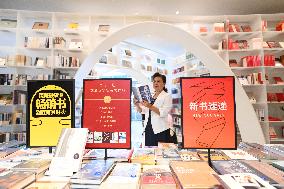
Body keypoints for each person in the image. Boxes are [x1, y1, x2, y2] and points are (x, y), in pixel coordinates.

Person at [134, 72, 173, 146]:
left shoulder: (167, 96)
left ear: (164, 84)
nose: (156, 83)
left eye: (158, 81)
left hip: (160, 129)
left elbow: (163, 113)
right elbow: (143, 111)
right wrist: (137, 105)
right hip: (148, 128)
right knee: (150, 152)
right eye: (154, 81)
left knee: (161, 153)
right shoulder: (150, 95)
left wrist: (149, 106)